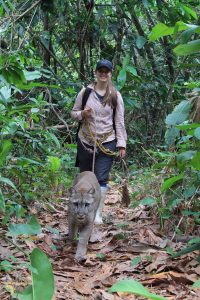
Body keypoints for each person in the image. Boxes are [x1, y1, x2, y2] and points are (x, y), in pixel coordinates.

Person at [71, 59, 127, 224]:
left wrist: (122, 144)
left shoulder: (115, 95)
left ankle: (96, 214)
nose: (103, 74)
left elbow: (119, 121)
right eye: (100, 71)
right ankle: (82, 211)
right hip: (85, 141)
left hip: (107, 141)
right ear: (96, 73)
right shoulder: (85, 93)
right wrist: (83, 114)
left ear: (110, 74)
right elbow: (73, 113)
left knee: (101, 178)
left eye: (106, 71)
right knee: (86, 177)